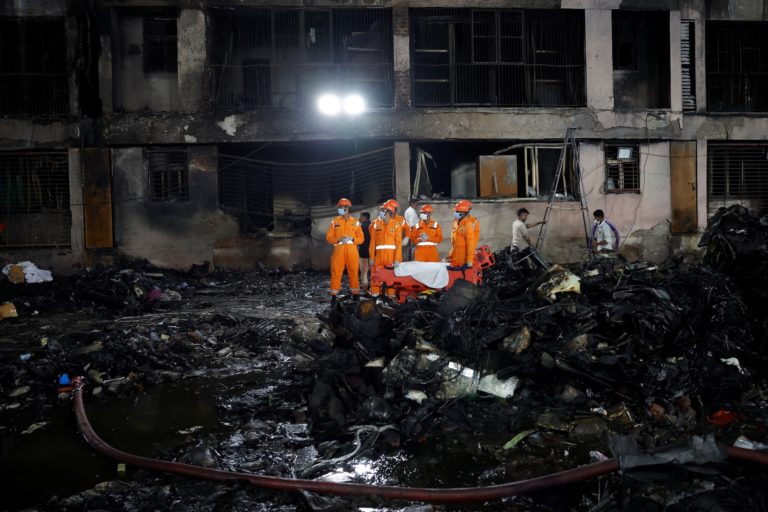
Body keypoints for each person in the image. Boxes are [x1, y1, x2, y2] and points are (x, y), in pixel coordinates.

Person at [325, 198, 364, 301]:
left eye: (341, 207)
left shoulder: (355, 222)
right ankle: (334, 295)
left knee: (353, 271)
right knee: (336, 271)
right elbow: (329, 237)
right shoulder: (335, 221)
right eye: (339, 207)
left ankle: (355, 294)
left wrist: (353, 239)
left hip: (352, 251)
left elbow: (361, 239)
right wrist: (338, 239)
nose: (339, 209)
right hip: (339, 251)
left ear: (347, 208)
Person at [369, 200, 404, 296]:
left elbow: (398, 244)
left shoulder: (396, 225)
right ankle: (375, 295)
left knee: (391, 277)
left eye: (383, 210)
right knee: (375, 276)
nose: (381, 212)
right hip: (379, 257)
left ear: (389, 212)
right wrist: (371, 257)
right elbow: (372, 242)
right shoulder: (376, 224)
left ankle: (391, 296)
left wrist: (397, 259)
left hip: (391, 257)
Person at [448, 199, 480, 268]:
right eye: (456, 211)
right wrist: (450, 256)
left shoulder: (472, 222)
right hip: (455, 258)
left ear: (465, 211)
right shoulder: (455, 222)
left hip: (464, 259)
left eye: (458, 211)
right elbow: (454, 242)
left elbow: (471, 244)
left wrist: (469, 260)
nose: (456, 213)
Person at [358, 211, 371, 290]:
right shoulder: (373, 225)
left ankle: (365, 285)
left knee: (364, 270)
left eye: (361, 216)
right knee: (373, 270)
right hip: (373, 251)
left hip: (363, 250)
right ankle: (374, 286)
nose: (359, 218)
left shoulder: (361, 226)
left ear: (365, 217)